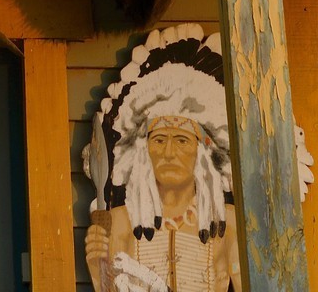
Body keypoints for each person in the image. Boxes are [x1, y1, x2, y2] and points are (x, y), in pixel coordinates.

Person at [84, 46, 240, 292]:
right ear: (144, 151)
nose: (169, 152)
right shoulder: (121, 221)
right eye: (158, 140)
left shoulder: (227, 222)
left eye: (182, 140)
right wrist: (98, 267)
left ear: (202, 153)